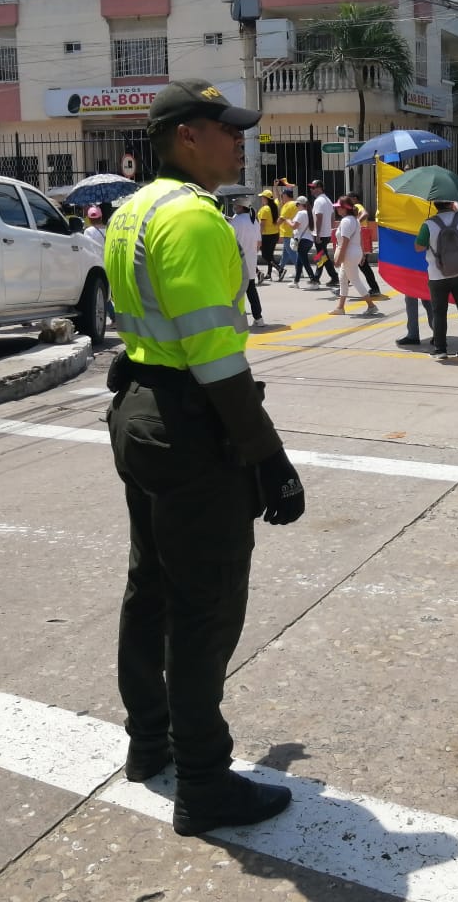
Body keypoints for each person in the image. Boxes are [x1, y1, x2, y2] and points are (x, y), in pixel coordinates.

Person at [102, 77, 304, 837]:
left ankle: (149, 742)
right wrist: (268, 456)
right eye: (227, 128)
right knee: (203, 607)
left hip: (141, 411)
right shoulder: (192, 218)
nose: (239, 140)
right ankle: (205, 782)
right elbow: (216, 357)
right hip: (191, 425)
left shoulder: (134, 209)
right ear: (187, 135)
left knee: (149, 587)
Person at [414, 196, 458, 360]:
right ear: (452, 204)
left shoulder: (428, 224)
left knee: (439, 312)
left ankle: (440, 349)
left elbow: (418, 247)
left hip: (437, 275)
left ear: (435, 205)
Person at [329, 196, 381, 316]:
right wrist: (362, 254)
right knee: (343, 279)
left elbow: (345, 242)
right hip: (354, 252)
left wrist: (339, 258)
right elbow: (360, 238)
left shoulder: (346, 221)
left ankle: (371, 305)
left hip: (348, 253)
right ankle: (340, 307)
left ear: (345, 208)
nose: (337, 209)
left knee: (354, 280)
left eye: (339, 207)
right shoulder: (354, 220)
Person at [228, 193, 265, 327]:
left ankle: (234, 319)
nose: (234, 207)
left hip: (237, 262)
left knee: (234, 292)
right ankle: (258, 318)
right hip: (250, 260)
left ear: (240, 206)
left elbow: (230, 240)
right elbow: (259, 243)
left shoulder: (236, 221)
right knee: (251, 289)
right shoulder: (253, 221)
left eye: (235, 205)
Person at [283, 195, 319, 287]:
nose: (296, 207)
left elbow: (294, 226)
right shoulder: (310, 213)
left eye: (297, 205)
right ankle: (296, 281)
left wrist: (287, 220)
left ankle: (313, 281)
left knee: (305, 262)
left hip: (302, 240)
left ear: (300, 204)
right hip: (309, 240)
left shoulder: (301, 213)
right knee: (300, 261)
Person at [308, 179, 339, 286]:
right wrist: (329, 229)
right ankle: (329, 277)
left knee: (321, 256)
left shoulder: (319, 201)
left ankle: (322, 277)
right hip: (326, 233)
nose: (311, 190)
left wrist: (318, 234)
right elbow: (333, 216)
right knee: (322, 256)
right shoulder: (328, 200)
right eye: (311, 188)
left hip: (320, 234)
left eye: (313, 188)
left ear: (320, 188)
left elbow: (319, 218)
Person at [256, 188, 281, 282]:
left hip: (266, 235)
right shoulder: (275, 205)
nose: (261, 199)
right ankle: (269, 274)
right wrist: (275, 187)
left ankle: (279, 269)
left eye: (262, 197)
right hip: (275, 234)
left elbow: (262, 225)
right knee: (270, 255)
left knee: (265, 256)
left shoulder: (264, 209)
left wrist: (258, 237)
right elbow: (278, 198)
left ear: (266, 198)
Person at [275, 181, 297, 281]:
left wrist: (272, 227)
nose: (281, 197)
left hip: (287, 232)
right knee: (286, 253)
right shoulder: (295, 203)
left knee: (291, 252)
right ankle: (280, 268)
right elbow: (279, 199)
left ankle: (299, 270)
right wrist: (276, 187)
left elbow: (281, 219)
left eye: (282, 196)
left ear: (285, 196)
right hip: (292, 232)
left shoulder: (287, 205)